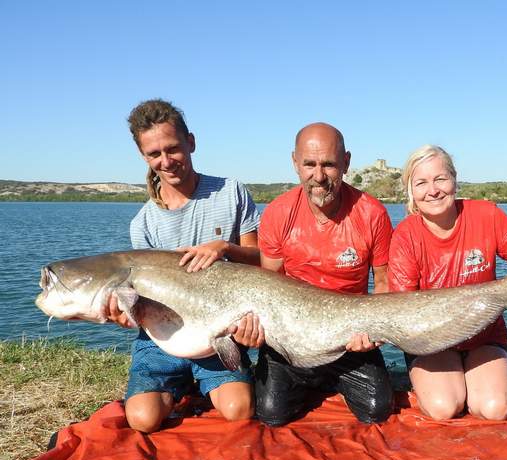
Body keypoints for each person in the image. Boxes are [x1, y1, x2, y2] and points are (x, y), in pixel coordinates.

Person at [104, 99, 264, 433]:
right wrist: (122, 314)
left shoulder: (230, 192)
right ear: (143, 156)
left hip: (219, 332)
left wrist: (224, 248)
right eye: (154, 154)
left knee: (240, 410)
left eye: (173, 149)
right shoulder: (144, 223)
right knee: (143, 420)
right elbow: (138, 301)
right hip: (162, 337)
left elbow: (261, 260)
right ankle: (178, 381)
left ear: (191, 142)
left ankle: (204, 380)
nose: (166, 161)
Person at [254, 122, 394, 426]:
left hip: (350, 337)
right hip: (291, 336)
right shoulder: (278, 213)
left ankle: (331, 379)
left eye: (329, 164)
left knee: (377, 409)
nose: (318, 176)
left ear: (346, 162)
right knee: (270, 413)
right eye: (309, 164)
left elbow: (383, 282)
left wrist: (375, 333)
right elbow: (268, 288)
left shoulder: (372, 213)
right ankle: (308, 379)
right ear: (295, 163)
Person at [388, 145, 507, 421]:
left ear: (454, 179)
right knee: (444, 407)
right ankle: (444, 376)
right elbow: (401, 311)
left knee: (493, 409)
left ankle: (475, 372)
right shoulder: (405, 236)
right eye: (421, 183)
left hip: (484, 337)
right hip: (431, 343)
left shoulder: (487, 215)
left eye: (440, 179)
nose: (432, 190)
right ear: (411, 191)